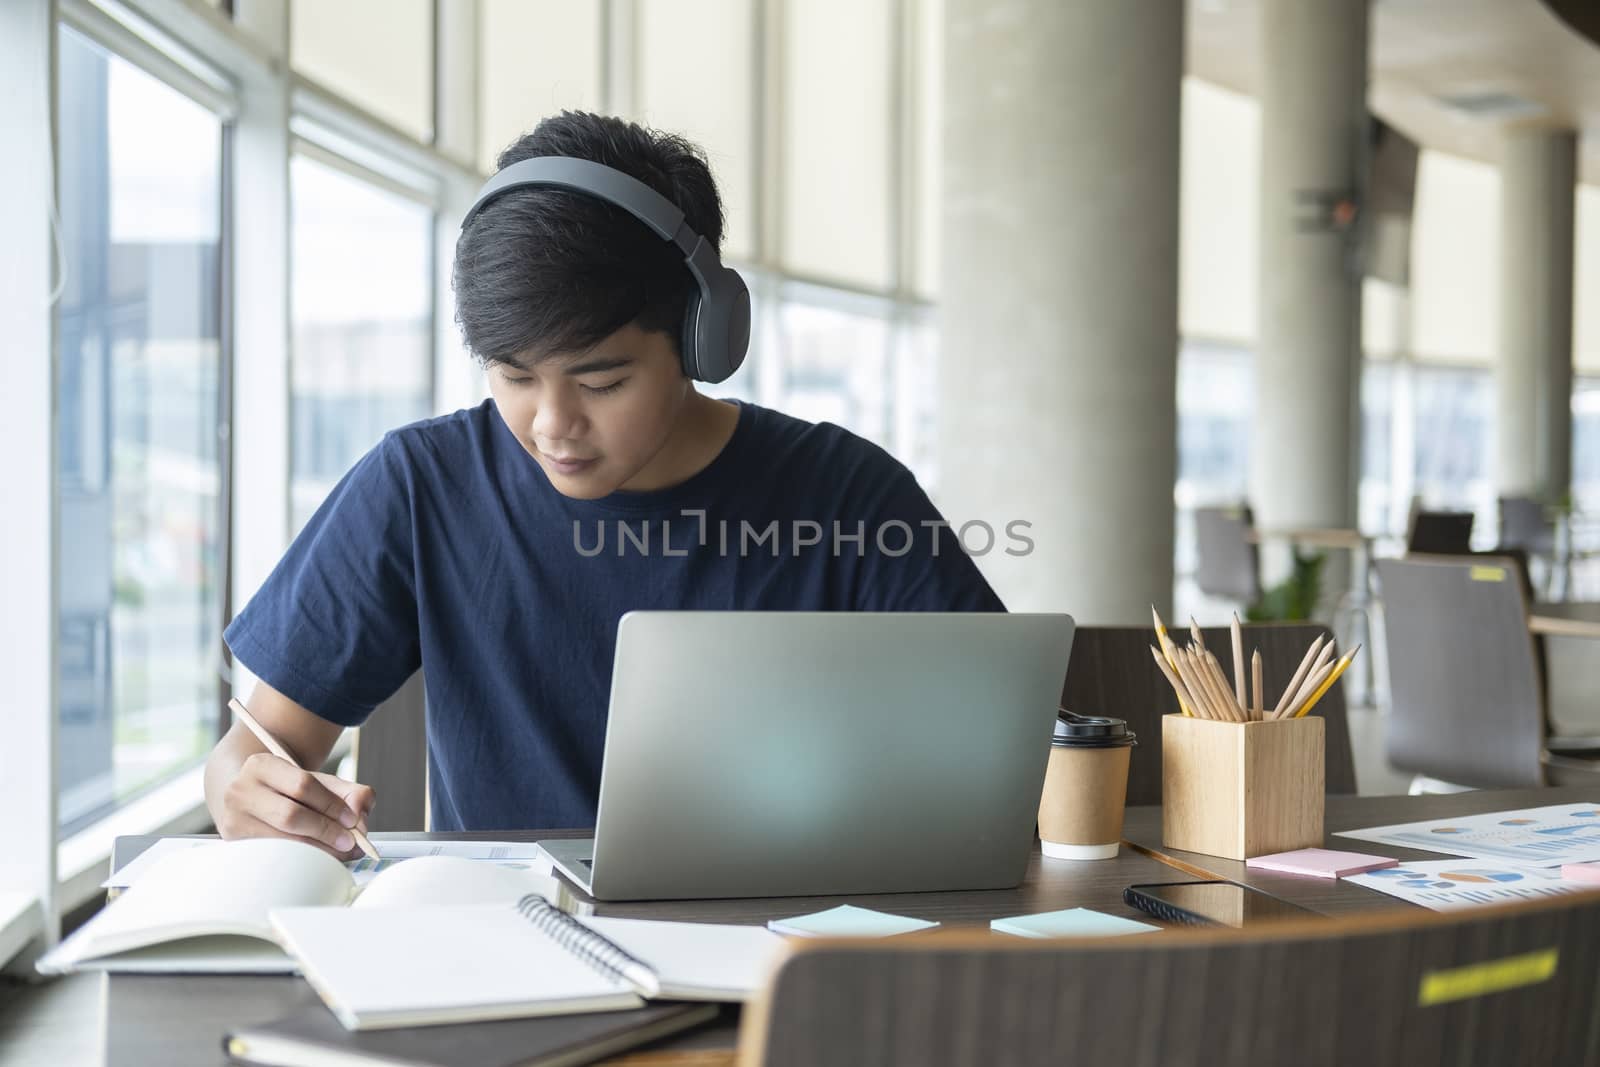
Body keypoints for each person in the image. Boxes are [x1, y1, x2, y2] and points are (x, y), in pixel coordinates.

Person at [203, 111, 1004, 856]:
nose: (552, 423)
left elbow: (1004, 743)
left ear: (702, 339)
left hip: (782, 943)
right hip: (510, 953)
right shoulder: (422, 485)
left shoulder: (843, 492)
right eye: (514, 376)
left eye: (602, 381)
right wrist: (244, 791)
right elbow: (255, 748)